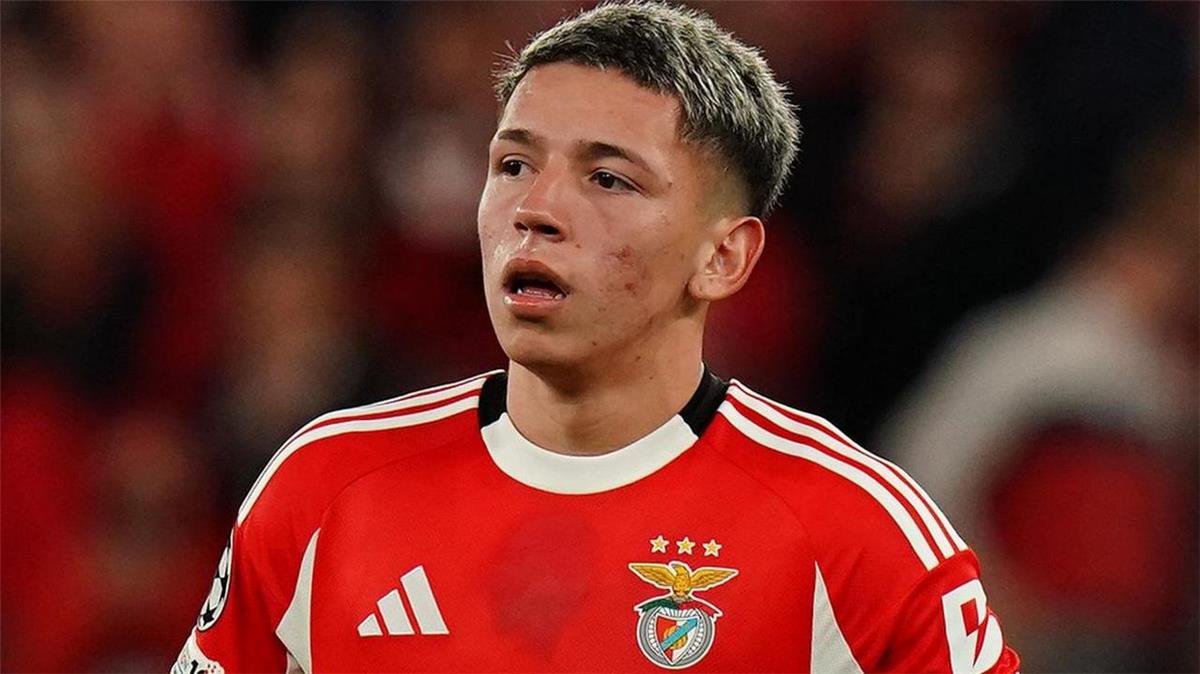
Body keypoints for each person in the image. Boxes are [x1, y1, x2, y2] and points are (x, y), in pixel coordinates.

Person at [175, 3, 1019, 672]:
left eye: (608, 179)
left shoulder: (857, 536)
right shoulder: (324, 488)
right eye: (513, 165)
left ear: (723, 257)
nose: (535, 209)